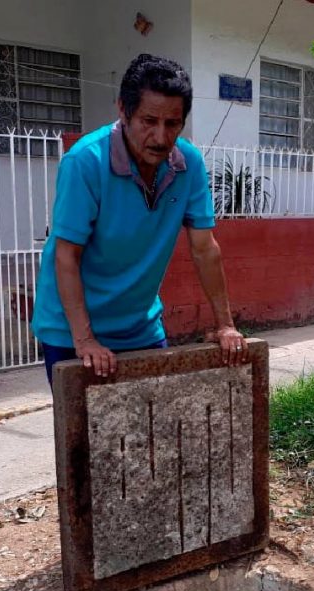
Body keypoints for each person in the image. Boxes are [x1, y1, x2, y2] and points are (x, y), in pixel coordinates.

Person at [31, 54, 247, 383]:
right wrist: (85, 340)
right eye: (148, 121)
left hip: (140, 325)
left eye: (172, 124)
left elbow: (205, 248)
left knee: (155, 426)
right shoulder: (85, 162)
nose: (160, 138)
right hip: (71, 328)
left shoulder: (188, 163)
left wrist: (225, 324)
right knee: (87, 433)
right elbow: (66, 256)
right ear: (123, 110)